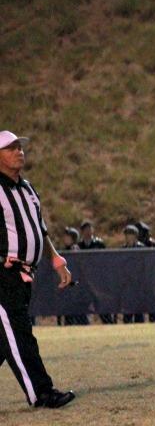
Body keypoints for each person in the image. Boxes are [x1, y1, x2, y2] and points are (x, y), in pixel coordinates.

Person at [0, 131, 76, 408]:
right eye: (11, 148)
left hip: (24, 274)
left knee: (5, 338)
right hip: (3, 274)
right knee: (20, 333)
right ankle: (41, 393)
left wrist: (57, 261)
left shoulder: (29, 189)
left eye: (20, 147)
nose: (19, 152)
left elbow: (39, 231)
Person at [120, 225, 146, 323]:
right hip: (127, 285)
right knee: (127, 312)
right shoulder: (123, 249)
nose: (128, 237)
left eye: (131, 234)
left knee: (139, 312)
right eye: (127, 235)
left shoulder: (141, 248)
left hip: (139, 284)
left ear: (135, 236)